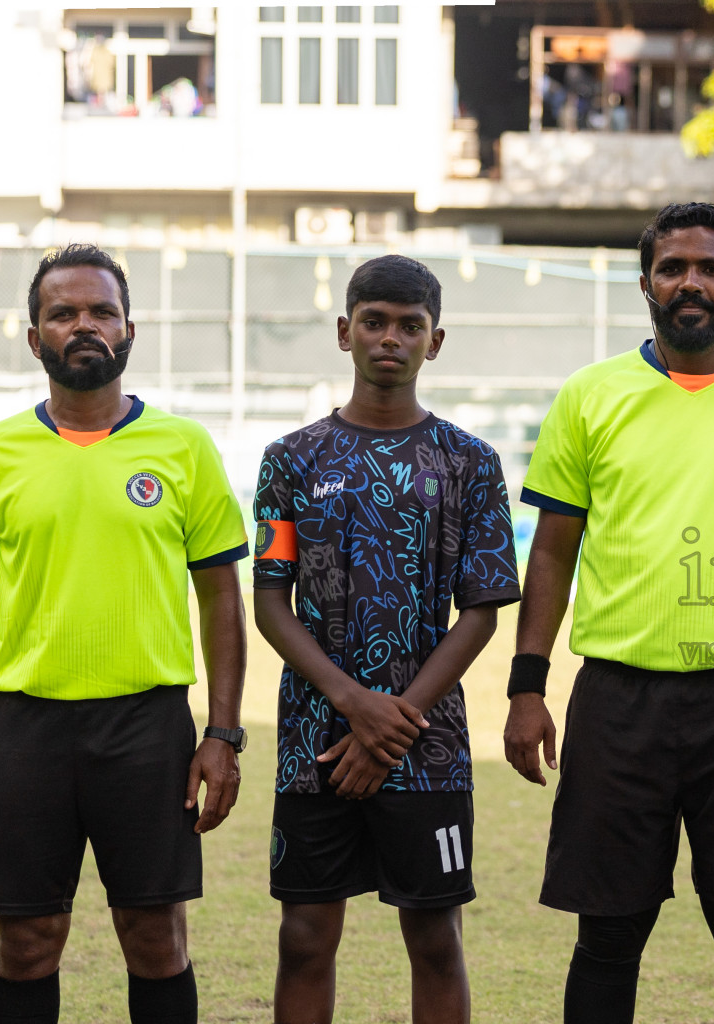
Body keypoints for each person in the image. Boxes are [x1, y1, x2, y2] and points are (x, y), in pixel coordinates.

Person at [503, 202, 714, 1024]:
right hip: (618, 701)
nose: (691, 283)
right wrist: (526, 685)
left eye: (710, 268)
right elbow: (551, 549)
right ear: (646, 281)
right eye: (672, 268)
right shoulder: (591, 396)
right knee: (608, 933)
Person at [0, 244, 248, 1024]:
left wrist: (224, 734)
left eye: (101, 311)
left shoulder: (183, 448)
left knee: (154, 936)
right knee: (29, 942)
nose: (84, 325)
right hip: (25, 726)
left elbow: (221, 603)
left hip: (148, 726)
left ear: (130, 329)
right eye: (63, 312)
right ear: (33, 334)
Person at [252, 255, 519, 1024]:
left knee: (435, 937)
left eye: (410, 326)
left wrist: (392, 725)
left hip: (425, 742)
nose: (390, 338)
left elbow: (480, 611)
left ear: (435, 342)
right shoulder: (291, 460)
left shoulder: (469, 462)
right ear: (345, 332)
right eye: (374, 321)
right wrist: (351, 705)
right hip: (314, 739)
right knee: (304, 936)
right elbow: (272, 602)